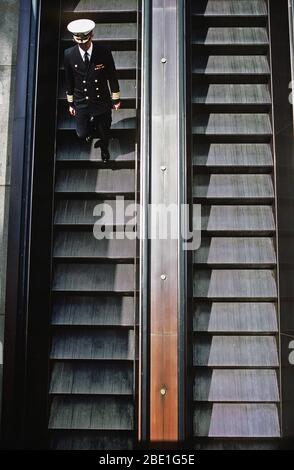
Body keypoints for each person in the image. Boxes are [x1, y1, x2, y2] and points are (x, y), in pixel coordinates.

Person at [64, 19, 121, 163]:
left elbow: (112, 76)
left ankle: (104, 148)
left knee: (104, 131)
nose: (83, 45)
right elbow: (69, 80)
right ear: (74, 39)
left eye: (85, 42)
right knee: (82, 134)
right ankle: (90, 127)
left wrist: (116, 99)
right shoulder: (69, 54)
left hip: (101, 100)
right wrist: (71, 104)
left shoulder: (104, 52)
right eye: (79, 42)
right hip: (81, 100)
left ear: (91, 36)